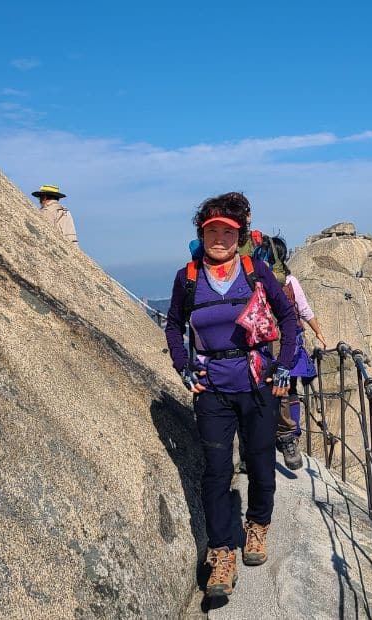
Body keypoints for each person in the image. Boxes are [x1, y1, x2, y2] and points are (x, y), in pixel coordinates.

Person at [164, 192, 297, 598]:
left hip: (257, 384)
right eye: (211, 230)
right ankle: (222, 552)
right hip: (212, 389)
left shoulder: (255, 270)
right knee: (216, 471)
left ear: (238, 234)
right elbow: (173, 326)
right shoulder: (188, 277)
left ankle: (257, 526)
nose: (219, 237)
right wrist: (183, 367)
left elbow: (288, 317)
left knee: (259, 462)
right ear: (201, 234)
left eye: (227, 231)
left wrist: (286, 364)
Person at [256, 236, 327, 469]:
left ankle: (288, 435)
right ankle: (284, 435)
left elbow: (303, 309)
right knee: (282, 388)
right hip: (274, 342)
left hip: (284, 342)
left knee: (286, 388)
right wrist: (318, 333)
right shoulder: (262, 280)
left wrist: (318, 332)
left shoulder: (287, 281)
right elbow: (305, 310)